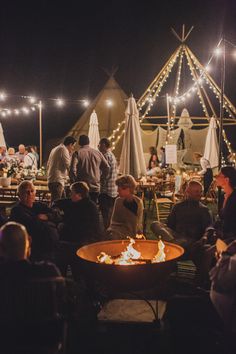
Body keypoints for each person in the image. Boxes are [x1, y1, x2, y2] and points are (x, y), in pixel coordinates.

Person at [53, 182, 101, 277]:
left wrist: (62, 224)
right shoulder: (77, 202)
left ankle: (63, 279)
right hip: (77, 239)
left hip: (83, 241)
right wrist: (56, 208)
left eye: (72, 192)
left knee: (61, 250)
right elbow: (59, 202)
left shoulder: (87, 208)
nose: (69, 194)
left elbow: (78, 227)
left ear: (79, 195)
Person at [151, 180, 212, 254]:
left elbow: (209, 227)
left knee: (182, 241)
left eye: (200, 191)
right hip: (175, 236)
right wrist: (166, 231)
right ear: (188, 192)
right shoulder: (178, 206)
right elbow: (169, 225)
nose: (199, 194)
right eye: (196, 192)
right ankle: (174, 244)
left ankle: (173, 245)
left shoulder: (203, 210)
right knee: (155, 224)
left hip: (191, 240)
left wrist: (205, 237)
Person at [10, 181, 59, 261]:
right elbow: (34, 226)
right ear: (19, 195)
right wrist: (51, 222)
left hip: (50, 245)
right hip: (33, 247)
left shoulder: (39, 205)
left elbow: (58, 215)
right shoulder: (17, 210)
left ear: (35, 193)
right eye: (26, 192)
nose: (30, 194)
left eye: (32, 191)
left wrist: (47, 216)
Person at [69, 134, 109, 203]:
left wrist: (75, 181)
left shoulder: (77, 153)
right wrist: (102, 178)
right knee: (92, 206)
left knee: (82, 208)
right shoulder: (98, 153)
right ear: (88, 142)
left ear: (79, 143)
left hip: (82, 188)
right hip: (95, 186)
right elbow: (107, 167)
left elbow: (72, 170)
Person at [108, 175, 143, 239]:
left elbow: (138, 225)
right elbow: (113, 222)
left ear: (128, 189)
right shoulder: (118, 201)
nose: (117, 191)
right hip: (116, 231)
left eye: (119, 188)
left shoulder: (138, 203)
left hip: (130, 233)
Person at [47, 136, 77, 202]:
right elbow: (69, 166)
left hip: (52, 180)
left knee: (62, 202)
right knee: (56, 203)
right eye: (73, 146)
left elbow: (48, 164)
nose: (73, 148)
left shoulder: (55, 148)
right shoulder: (63, 149)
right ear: (70, 144)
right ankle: (51, 212)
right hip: (57, 181)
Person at [98, 137, 118, 229]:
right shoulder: (111, 155)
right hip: (113, 189)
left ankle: (107, 231)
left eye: (100, 144)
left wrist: (101, 179)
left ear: (104, 145)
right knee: (110, 212)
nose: (98, 146)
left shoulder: (105, 155)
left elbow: (106, 170)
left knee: (105, 213)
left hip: (106, 189)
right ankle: (110, 229)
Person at [215, 166, 236, 241]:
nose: (216, 178)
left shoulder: (234, 198)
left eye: (219, 176)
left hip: (231, 239)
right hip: (223, 236)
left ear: (226, 179)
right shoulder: (223, 196)